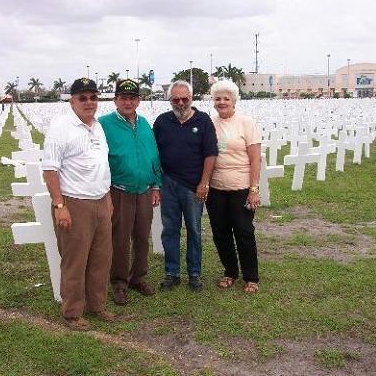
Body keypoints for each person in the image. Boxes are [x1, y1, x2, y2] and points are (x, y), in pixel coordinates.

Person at [41, 78, 115, 330]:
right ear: (71, 101)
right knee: (75, 260)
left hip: (101, 200)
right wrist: (60, 205)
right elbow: (50, 170)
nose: (89, 102)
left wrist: (108, 198)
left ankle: (98, 305)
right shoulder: (61, 127)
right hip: (75, 202)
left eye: (93, 97)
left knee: (101, 258)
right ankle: (72, 312)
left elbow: (102, 165)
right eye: (83, 98)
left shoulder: (97, 126)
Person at [98, 79, 162, 305]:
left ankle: (138, 277)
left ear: (139, 100)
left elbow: (153, 155)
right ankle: (119, 283)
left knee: (142, 237)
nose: (128, 102)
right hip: (119, 190)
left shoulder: (144, 123)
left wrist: (156, 185)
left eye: (132, 98)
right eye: (123, 98)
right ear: (115, 100)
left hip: (144, 190)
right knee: (120, 238)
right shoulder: (104, 124)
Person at [153, 80, 218, 291]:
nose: (180, 103)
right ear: (170, 100)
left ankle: (194, 273)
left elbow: (210, 154)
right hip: (168, 183)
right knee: (170, 229)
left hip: (193, 185)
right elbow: (155, 154)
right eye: (176, 99)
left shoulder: (204, 120)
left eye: (185, 99)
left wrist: (204, 183)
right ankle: (171, 273)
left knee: (194, 230)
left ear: (192, 98)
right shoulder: (162, 122)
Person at [205, 80, 262, 294]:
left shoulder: (246, 123)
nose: (221, 102)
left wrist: (253, 189)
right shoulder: (209, 123)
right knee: (220, 233)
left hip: (241, 188)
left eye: (226, 98)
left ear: (234, 101)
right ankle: (230, 271)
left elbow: (255, 159)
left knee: (244, 232)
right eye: (217, 98)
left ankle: (251, 276)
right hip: (216, 189)